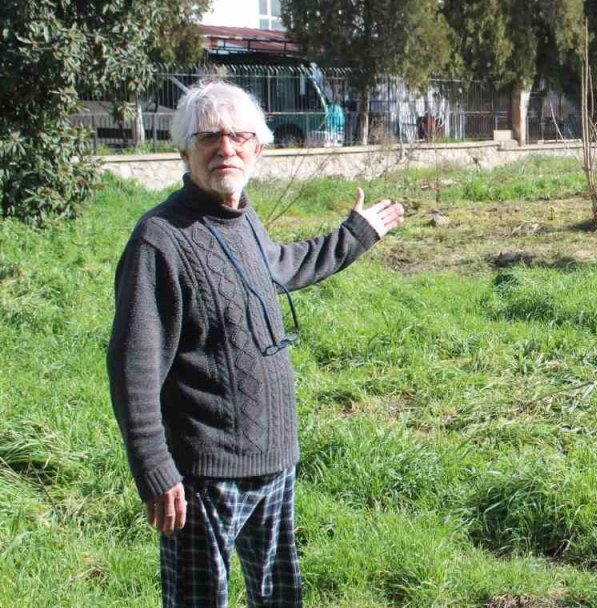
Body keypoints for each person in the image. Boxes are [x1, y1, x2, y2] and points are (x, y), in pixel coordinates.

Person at [106, 80, 405, 607]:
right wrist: (153, 464)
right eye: (210, 138)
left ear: (259, 148)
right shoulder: (160, 239)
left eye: (239, 137)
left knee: (279, 597)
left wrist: (355, 234)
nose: (226, 149)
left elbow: (279, 268)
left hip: (274, 459)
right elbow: (134, 366)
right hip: (203, 475)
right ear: (184, 151)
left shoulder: (243, 218)